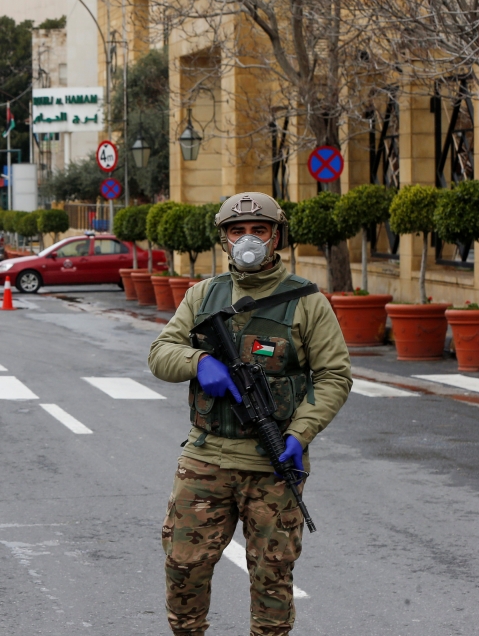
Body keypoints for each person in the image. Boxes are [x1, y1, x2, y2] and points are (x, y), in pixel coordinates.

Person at [147, 192, 351, 636]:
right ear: (224, 240)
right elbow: (161, 353)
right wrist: (198, 363)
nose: (248, 240)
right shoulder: (203, 295)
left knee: (272, 576)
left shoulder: (307, 301)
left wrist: (299, 435)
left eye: (259, 230)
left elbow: (334, 375)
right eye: (237, 231)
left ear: (277, 237)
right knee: (183, 567)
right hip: (206, 457)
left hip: (274, 464)